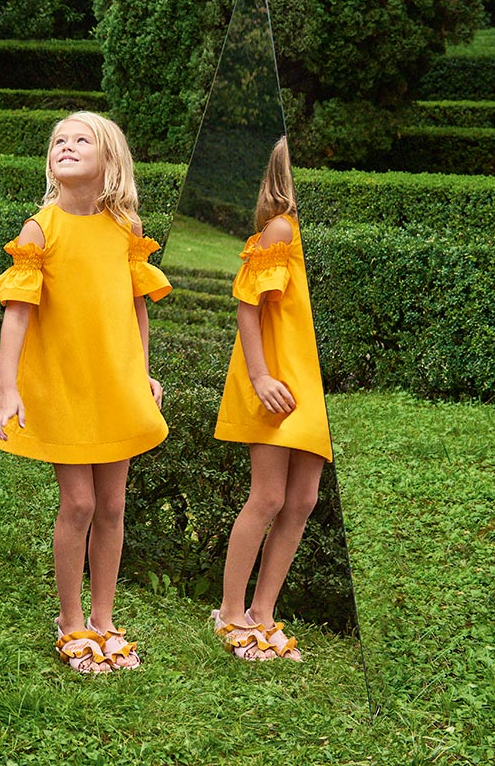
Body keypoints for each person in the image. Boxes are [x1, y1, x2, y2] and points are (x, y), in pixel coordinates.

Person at [0, 111, 170, 674]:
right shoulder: (40, 229)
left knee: (113, 505)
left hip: (115, 385)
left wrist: (142, 372)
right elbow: (17, 315)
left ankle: (104, 621)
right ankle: (70, 623)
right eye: (59, 141)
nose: (65, 146)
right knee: (81, 503)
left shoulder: (126, 228)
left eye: (80, 140)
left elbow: (136, 308)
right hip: (63, 387)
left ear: (109, 158)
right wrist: (8, 389)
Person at [210, 136, 328, 662]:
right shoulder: (281, 229)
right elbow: (248, 307)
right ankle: (230, 613)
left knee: (302, 500)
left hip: (312, 387)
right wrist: (259, 378)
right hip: (278, 382)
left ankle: (263, 612)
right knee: (269, 497)